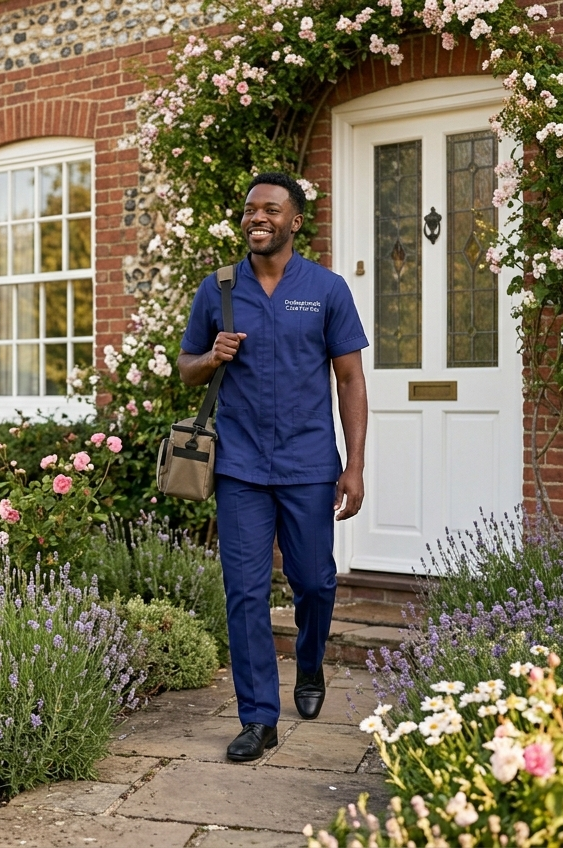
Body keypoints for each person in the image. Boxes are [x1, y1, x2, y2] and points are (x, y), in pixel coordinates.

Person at [177, 172, 369, 763]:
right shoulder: (218, 288)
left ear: (295, 221)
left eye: (271, 209)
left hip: (309, 463)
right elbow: (186, 368)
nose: (257, 217)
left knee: (315, 581)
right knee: (244, 592)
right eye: (249, 209)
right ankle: (258, 718)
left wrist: (355, 466)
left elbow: (350, 380)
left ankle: (310, 663)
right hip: (240, 467)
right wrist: (211, 356)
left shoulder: (327, 289)